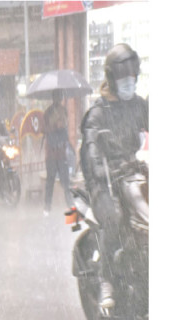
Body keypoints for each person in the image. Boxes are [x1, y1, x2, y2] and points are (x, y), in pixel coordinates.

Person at [79, 43, 149, 309]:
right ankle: (107, 278)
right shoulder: (97, 113)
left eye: (132, 77)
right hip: (104, 180)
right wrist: (98, 167)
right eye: (123, 78)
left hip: (132, 173)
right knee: (116, 217)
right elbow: (91, 148)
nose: (129, 82)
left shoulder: (137, 105)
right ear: (111, 78)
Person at [43, 89, 74, 216]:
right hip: (51, 153)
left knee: (65, 182)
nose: (59, 99)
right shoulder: (48, 112)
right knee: (50, 181)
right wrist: (55, 126)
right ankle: (47, 207)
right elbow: (46, 130)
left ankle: (70, 205)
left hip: (61, 153)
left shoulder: (64, 111)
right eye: (57, 97)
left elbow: (65, 130)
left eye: (60, 97)